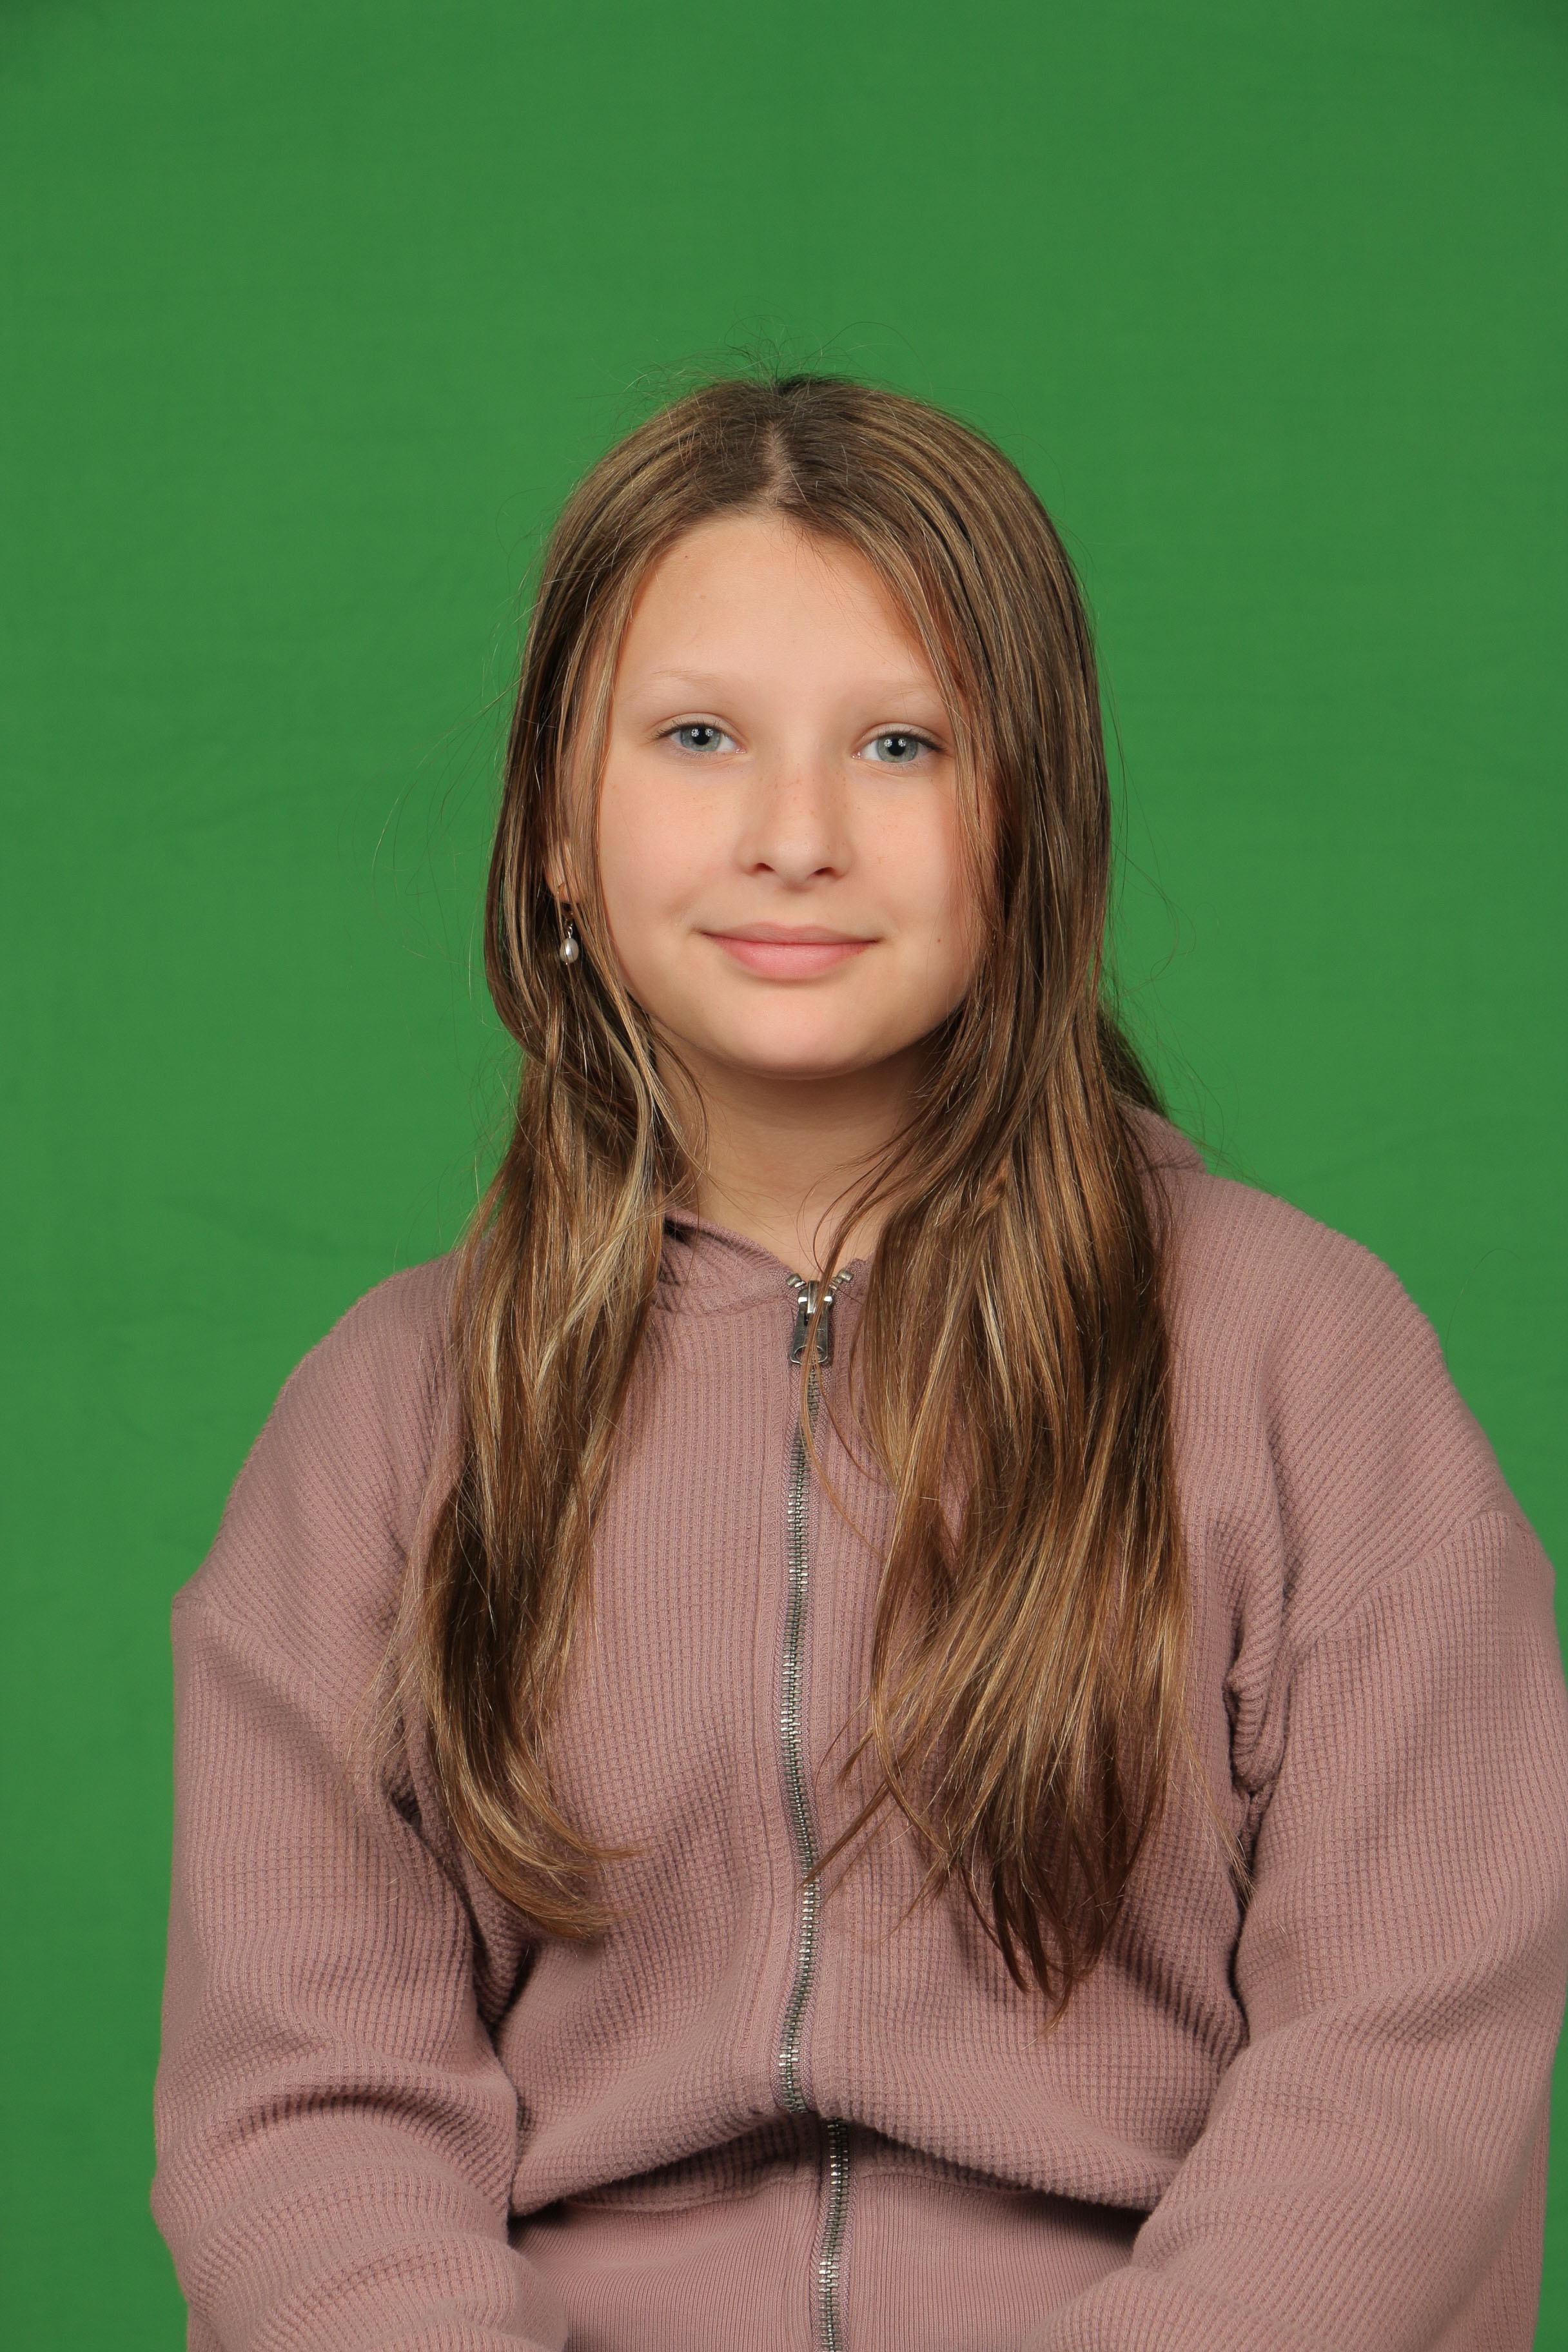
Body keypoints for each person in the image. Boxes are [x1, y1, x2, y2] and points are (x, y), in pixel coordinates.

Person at [151, 373, 1568, 2352]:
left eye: (902, 744)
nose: (796, 836)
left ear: (1033, 820)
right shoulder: (384, 1427)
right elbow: (308, 2117)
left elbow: (1400, 2083)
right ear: (556, 824)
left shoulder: (1308, 1371)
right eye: (699, 737)